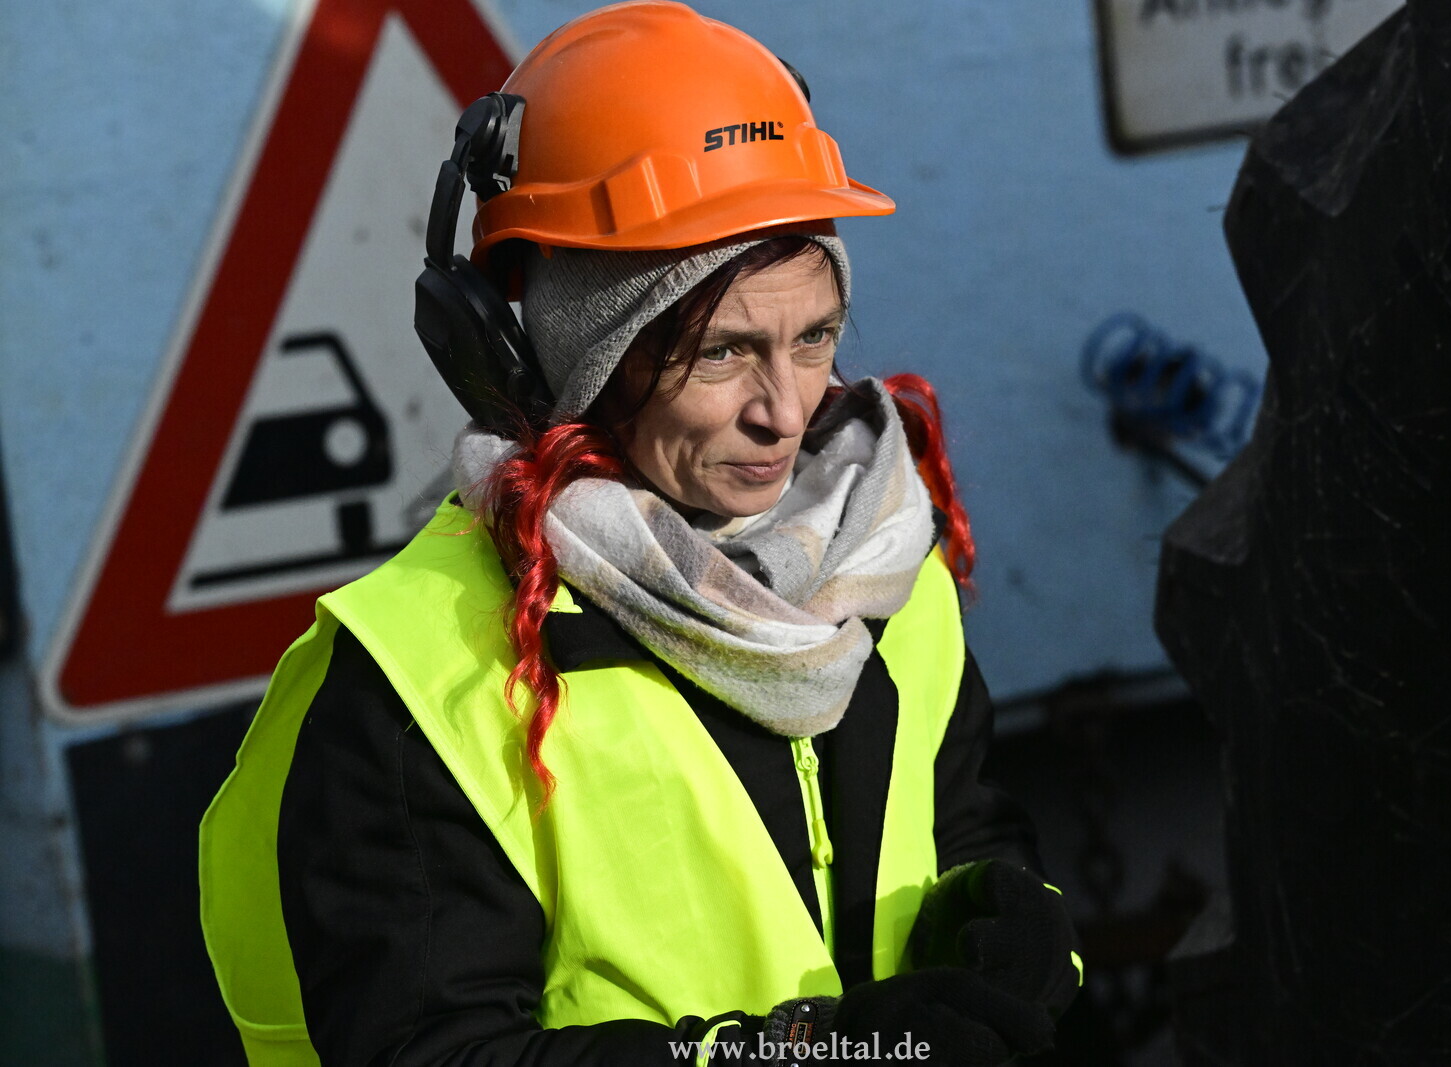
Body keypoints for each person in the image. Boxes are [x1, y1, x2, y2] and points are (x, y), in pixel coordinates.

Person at [200, 3, 1082, 1064]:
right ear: (576, 355)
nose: (787, 410)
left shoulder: (887, 567)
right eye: (721, 352)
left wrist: (1009, 913)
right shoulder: (426, 678)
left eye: (814, 336)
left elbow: (963, 819)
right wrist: (806, 1052)